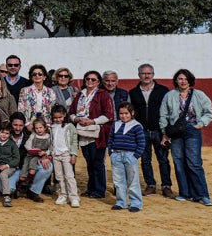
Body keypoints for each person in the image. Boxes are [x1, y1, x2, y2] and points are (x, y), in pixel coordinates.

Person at [161, 69, 212, 205]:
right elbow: (163, 115)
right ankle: (185, 192)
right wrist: (165, 133)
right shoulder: (169, 95)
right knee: (179, 162)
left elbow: (209, 112)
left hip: (192, 129)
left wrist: (201, 124)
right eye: (180, 79)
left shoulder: (199, 95)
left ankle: (202, 195)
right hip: (176, 131)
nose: (183, 81)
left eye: (185, 79)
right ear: (176, 81)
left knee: (194, 163)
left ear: (190, 80)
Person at [128, 63, 173, 198]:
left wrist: (167, 132)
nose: (146, 76)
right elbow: (132, 113)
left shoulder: (163, 90)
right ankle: (150, 185)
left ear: (153, 75)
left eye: (149, 73)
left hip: (159, 131)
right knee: (145, 160)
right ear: (139, 75)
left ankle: (166, 186)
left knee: (163, 159)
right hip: (142, 131)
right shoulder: (133, 92)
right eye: (143, 73)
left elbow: (169, 111)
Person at [68, 70, 114, 199]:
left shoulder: (103, 95)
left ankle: (99, 190)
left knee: (97, 162)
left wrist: (92, 121)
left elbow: (109, 115)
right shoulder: (80, 95)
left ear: (98, 82)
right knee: (89, 162)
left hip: (97, 133)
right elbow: (71, 112)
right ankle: (91, 188)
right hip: (83, 132)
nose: (90, 81)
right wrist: (77, 119)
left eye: (93, 80)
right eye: (87, 79)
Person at [109, 102, 145, 212]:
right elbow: (111, 139)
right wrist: (111, 152)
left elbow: (141, 143)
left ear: (132, 113)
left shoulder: (136, 126)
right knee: (118, 181)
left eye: (126, 113)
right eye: (121, 113)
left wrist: (135, 156)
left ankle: (136, 203)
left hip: (130, 155)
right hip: (117, 155)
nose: (124, 116)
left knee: (133, 180)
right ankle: (121, 202)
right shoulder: (116, 124)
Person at [49, 105, 80, 207]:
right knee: (59, 176)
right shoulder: (52, 127)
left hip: (66, 154)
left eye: (60, 117)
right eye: (56, 118)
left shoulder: (69, 126)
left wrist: (74, 154)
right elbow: (51, 141)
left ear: (64, 115)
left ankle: (74, 197)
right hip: (56, 155)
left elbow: (74, 141)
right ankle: (63, 194)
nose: (58, 119)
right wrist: (50, 153)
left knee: (69, 176)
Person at [19, 118, 52, 203]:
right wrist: (32, 150)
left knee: (39, 169)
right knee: (26, 170)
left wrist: (45, 153)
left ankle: (33, 189)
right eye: (37, 128)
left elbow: (51, 148)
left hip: (42, 155)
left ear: (45, 128)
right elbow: (27, 145)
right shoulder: (33, 135)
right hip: (32, 155)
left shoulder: (48, 137)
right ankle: (22, 186)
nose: (39, 130)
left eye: (41, 127)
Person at [17, 64, 57, 132]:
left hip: (46, 124)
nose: (37, 76)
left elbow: (53, 109)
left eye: (40, 74)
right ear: (31, 77)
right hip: (30, 123)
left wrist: (48, 125)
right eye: (34, 74)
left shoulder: (50, 91)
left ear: (44, 77)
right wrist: (27, 124)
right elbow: (21, 109)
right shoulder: (24, 90)